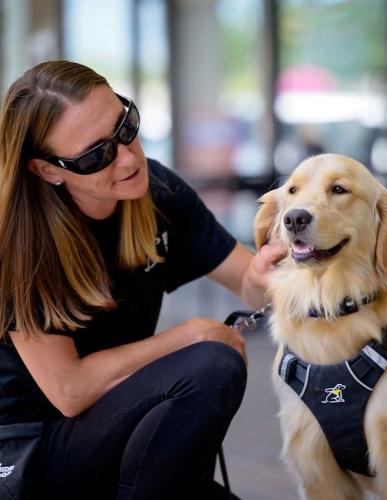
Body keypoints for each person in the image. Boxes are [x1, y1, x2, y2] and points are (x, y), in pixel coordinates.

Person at [0, 60, 285, 500]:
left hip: (114, 427)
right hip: (34, 454)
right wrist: (188, 336)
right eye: (97, 155)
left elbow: (249, 283)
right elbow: (70, 391)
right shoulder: (20, 241)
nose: (129, 157)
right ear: (48, 170)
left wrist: (269, 268)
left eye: (125, 125)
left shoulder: (158, 194)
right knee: (209, 363)